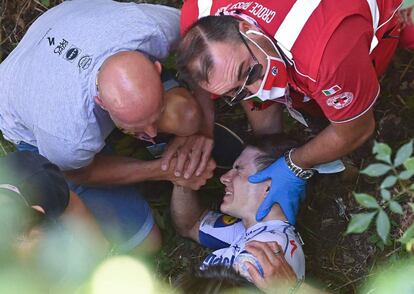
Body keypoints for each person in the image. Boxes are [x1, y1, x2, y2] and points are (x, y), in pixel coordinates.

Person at [0, 0, 214, 255]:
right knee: (146, 242)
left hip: (68, 22)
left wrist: (205, 130)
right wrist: (163, 170)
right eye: (136, 127)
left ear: (156, 67)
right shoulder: (66, 132)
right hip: (32, 115)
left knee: (187, 116)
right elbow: (78, 173)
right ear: (101, 103)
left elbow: (205, 43)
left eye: (154, 117)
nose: (153, 133)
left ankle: (138, 129)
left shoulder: (149, 28)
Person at [176, 0, 414, 225]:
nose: (259, 90)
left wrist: (294, 163)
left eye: (249, 72)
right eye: (235, 92)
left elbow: (356, 129)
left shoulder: (325, 58)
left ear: (248, 29)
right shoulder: (199, 17)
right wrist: (265, 146)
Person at [170, 134, 305, 292]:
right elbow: (191, 224)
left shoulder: (263, 254)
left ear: (269, 186)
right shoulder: (259, 233)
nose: (224, 178)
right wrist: (183, 180)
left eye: (238, 170)